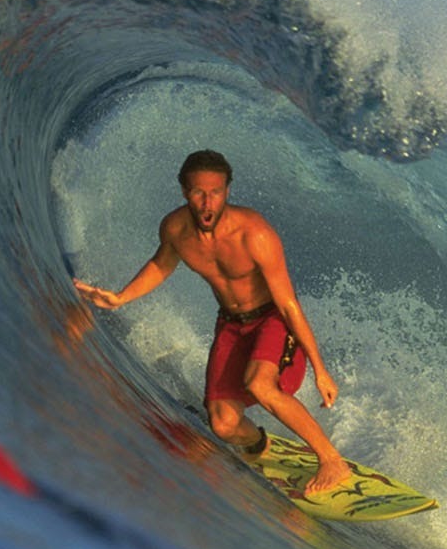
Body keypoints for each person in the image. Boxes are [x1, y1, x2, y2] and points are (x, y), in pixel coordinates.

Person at [74, 149, 352, 494]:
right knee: (222, 424)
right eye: (198, 192)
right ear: (184, 191)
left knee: (260, 384)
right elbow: (161, 265)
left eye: (215, 192)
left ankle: (331, 460)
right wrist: (120, 298)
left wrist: (319, 367)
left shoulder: (256, 234)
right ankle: (258, 446)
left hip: (272, 320)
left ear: (227, 192)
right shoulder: (176, 228)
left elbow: (289, 304)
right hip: (232, 324)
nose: (207, 202)